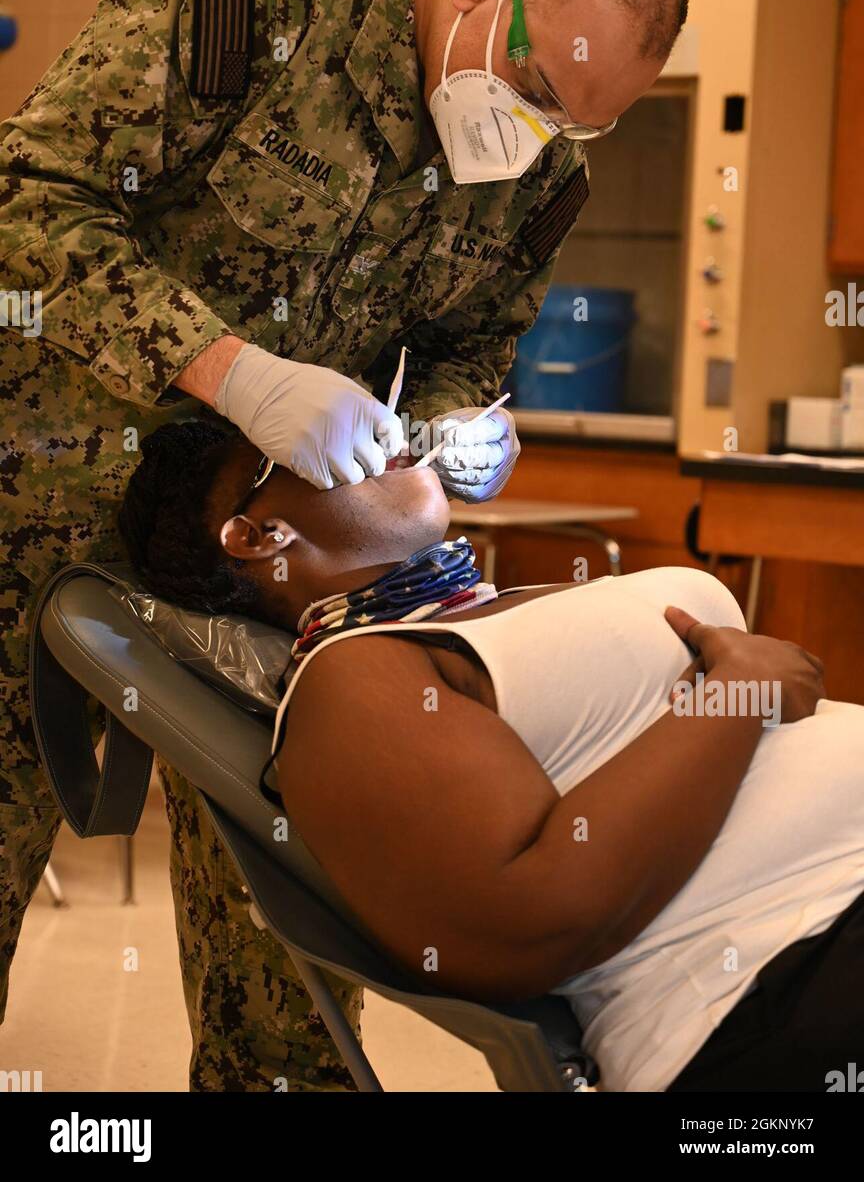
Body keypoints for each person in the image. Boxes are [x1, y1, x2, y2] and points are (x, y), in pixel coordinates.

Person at [0, 0, 687, 1088]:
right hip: (42, 478)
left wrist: (462, 423)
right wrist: (230, 370)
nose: (533, 143)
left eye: (576, 129)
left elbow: (472, 339)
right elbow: (31, 205)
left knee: (284, 916)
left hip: (274, 553)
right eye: (532, 99)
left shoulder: (540, 167)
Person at [117, 418, 864, 1094]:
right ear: (257, 535)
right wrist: (736, 693)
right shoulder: (353, 678)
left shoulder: (479, 612)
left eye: (376, 419)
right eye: (325, 445)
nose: (384, 435)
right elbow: (527, 921)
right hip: (786, 975)